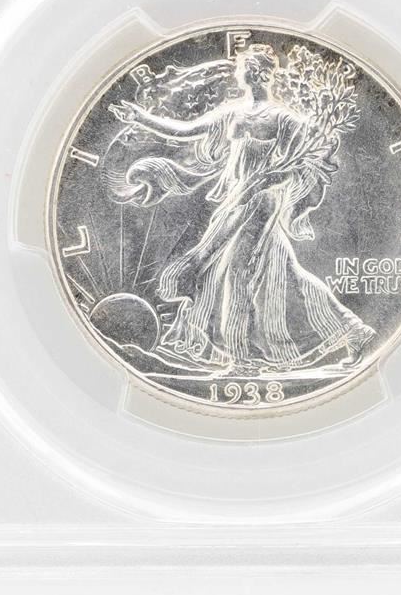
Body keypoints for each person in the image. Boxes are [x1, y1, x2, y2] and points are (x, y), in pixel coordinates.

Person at [108, 43, 374, 373]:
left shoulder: (283, 119)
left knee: (238, 271)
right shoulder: (233, 114)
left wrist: (270, 178)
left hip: (262, 202)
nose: (239, 73)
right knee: (279, 272)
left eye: (244, 68)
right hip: (235, 199)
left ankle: (240, 357)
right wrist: (141, 118)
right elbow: (186, 131)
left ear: (258, 73)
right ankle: (353, 331)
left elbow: (307, 161)